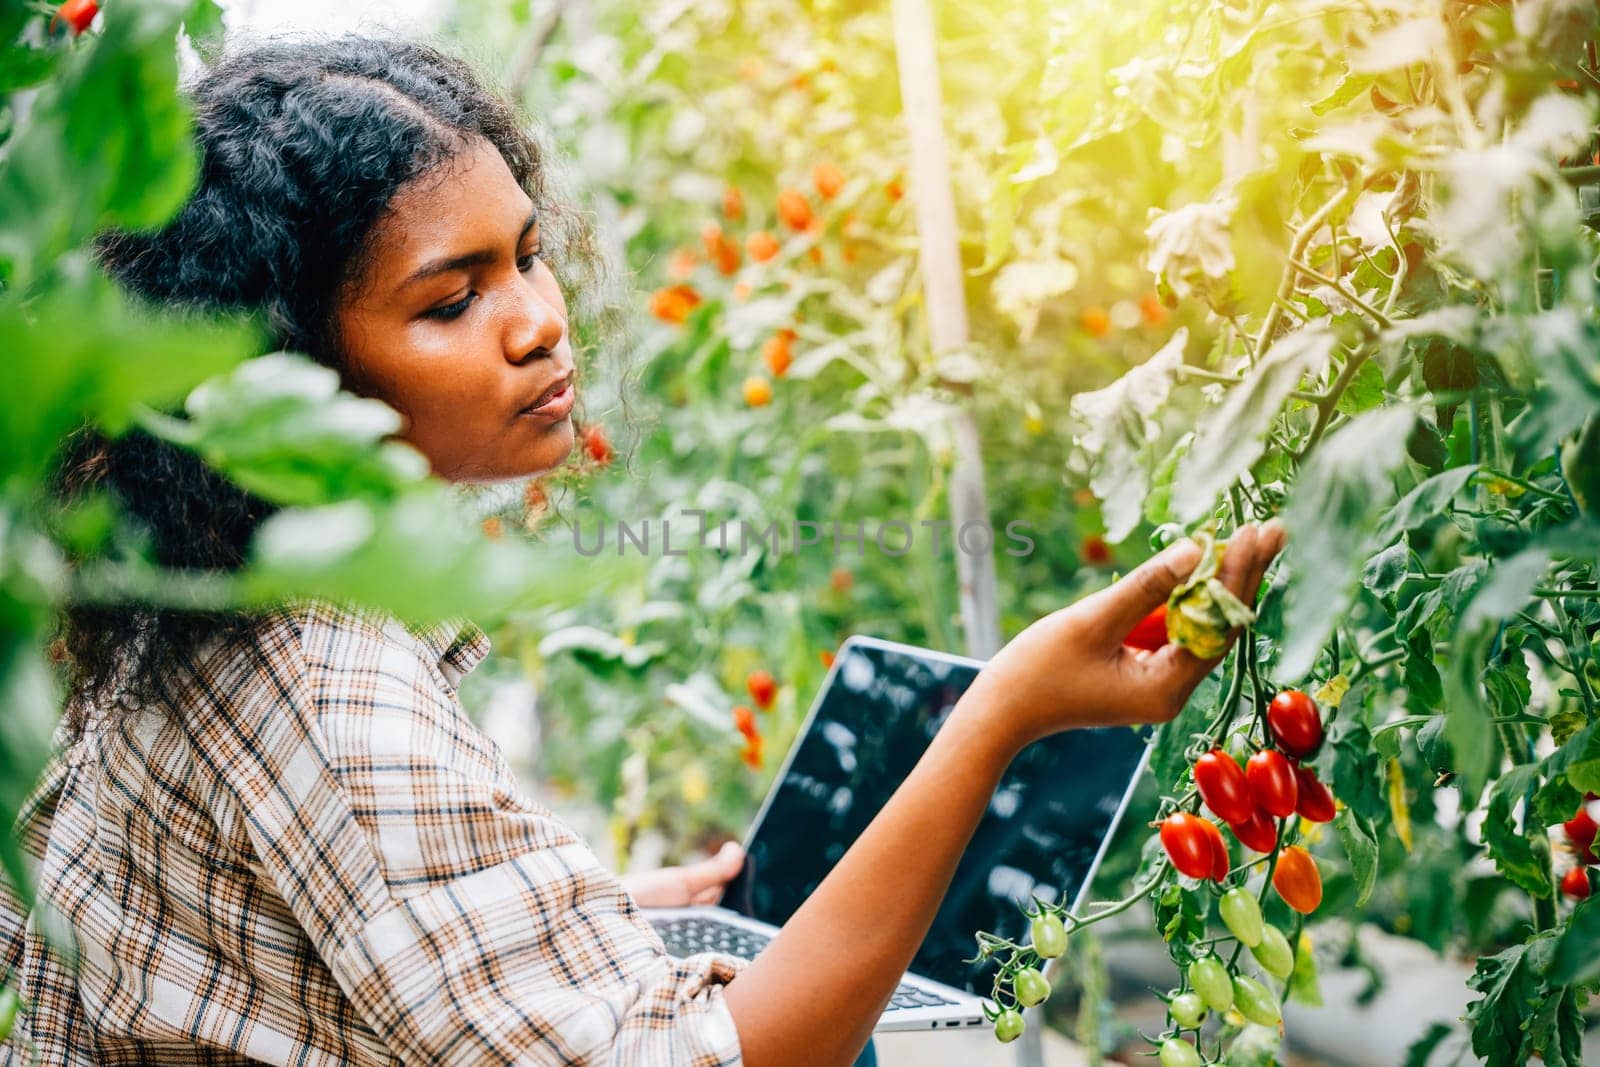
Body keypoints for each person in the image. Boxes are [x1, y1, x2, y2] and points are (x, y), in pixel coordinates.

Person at [0, 35, 1285, 1067]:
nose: (538, 323)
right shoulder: (327, 680)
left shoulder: (193, 597)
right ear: (288, 357)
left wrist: (597, 907)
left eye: (527, 257)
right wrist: (1001, 711)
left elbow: (287, 941)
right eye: (451, 300)